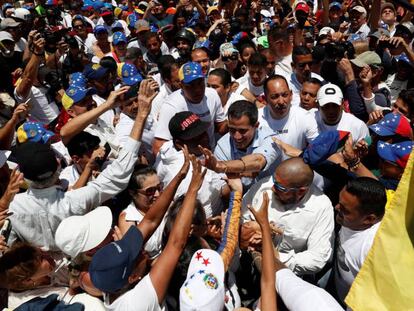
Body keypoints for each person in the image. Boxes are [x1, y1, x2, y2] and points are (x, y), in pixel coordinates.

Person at [7, 79, 157, 251]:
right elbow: (120, 172)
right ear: (58, 165)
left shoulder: (12, 208)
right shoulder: (73, 202)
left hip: (41, 273)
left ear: (22, 176)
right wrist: (142, 115)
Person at [88, 154, 206, 310]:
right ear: (133, 277)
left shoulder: (111, 282)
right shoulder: (139, 301)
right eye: (137, 254)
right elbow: (176, 244)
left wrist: (180, 177)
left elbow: (150, 221)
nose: (141, 250)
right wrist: (193, 189)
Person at [241, 157, 335, 276]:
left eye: (281, 188)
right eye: (274, 181)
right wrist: (254, 229)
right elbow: (241, 215)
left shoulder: (321, 207)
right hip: (248, 263)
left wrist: (276, 256)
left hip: (286, 276)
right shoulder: (265, 185)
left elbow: (318, 258)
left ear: (301, 191)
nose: (272, 188)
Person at [155, 111, 227, 218]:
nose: (205, 138)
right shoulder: (187, 173)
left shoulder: (168, 148)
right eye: (196, 138)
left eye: (204, 132)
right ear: (179, 144)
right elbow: (226, 191)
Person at [203, 100, 281, 190]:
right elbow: (224, 185)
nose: (237, 136)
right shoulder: (223, 146)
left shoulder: (271, 138)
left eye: (242, 131)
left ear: (256, 126)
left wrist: (222, 166)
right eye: (232, 129)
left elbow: (258, 161)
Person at [153, 62, 227, 155]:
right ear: (181, 85)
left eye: (200, 83)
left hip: (210, 154)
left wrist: (231, 123)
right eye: (190, 85)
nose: (197, 89)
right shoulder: (171, 106)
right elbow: (158, 146)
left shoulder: (212, 95)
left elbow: (220, 126)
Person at [334, 177, 386, 304]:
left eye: (344, 209)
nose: (336, 207)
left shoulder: (372, 250)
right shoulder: (354, 220)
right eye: (339, 202)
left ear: (369, 219)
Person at [259, 75, 318, 157]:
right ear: (265, 99)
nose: (281, 102)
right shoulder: (256, 118)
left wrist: (299, 154)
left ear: (291, 95)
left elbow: (319, 151)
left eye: (284, 95)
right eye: (274, 97)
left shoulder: (304, 117)